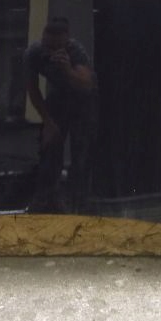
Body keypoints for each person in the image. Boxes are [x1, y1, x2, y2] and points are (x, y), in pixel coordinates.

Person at [24, 17, 96, 213]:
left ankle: (79, 202)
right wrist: (47, 122)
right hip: (59, 96)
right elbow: (32, 89)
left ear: (66, 42)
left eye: (56, 48)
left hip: (83, 98)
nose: (51, 52)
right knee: (49, 147)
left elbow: (87, 85)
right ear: (43, 39)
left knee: (82, 152)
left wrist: (68, 70)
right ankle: (45, 199)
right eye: (48, 46)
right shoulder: (34, 53)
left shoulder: (75, 51)